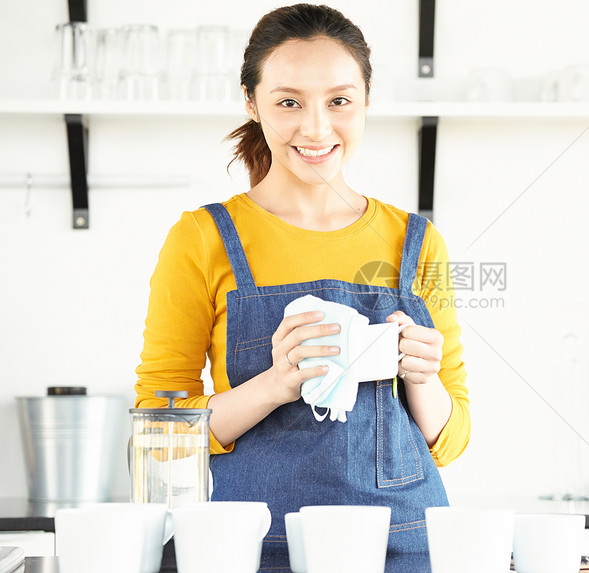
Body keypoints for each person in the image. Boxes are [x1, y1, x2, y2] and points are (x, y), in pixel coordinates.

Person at [133, 3, 470, 567]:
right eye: (289, 101)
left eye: (339, 101)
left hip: (401, 545)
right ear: (252, 103)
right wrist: (274, 384)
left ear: (366, 102)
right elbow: (163, 425)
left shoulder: (418, 242)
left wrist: (424, 378)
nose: (316, 128)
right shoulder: (203, 237)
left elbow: (451, 439)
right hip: (247, 547)